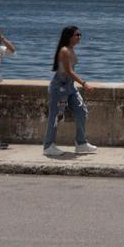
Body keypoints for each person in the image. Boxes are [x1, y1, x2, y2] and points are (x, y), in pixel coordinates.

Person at [44, 25, 96, 158]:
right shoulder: (64, 50)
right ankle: (48, 146)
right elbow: (68, 71)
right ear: (69, 36)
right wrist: (84, 84)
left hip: (70, 87)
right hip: (59, 88)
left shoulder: (71, 49)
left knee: (82, 111)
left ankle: (81, 143)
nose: (79, 37)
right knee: (55, 117)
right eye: (76, 35)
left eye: (80, 35)